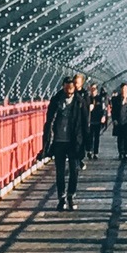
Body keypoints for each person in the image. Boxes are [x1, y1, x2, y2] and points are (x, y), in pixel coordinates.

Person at [41, 75, 92, 209]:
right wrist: (46, 144)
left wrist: (88, 144)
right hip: (59, 141)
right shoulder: (56, 100)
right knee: (60, 171)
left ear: (74, 87)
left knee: (74, 170)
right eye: (67, 86)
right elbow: (49, 121)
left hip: (74, 141)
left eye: (71, 87)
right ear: (63, 86)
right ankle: (61, 198)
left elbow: (85, 123)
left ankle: (71, 195)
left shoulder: (80, 102)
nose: (69, 89)